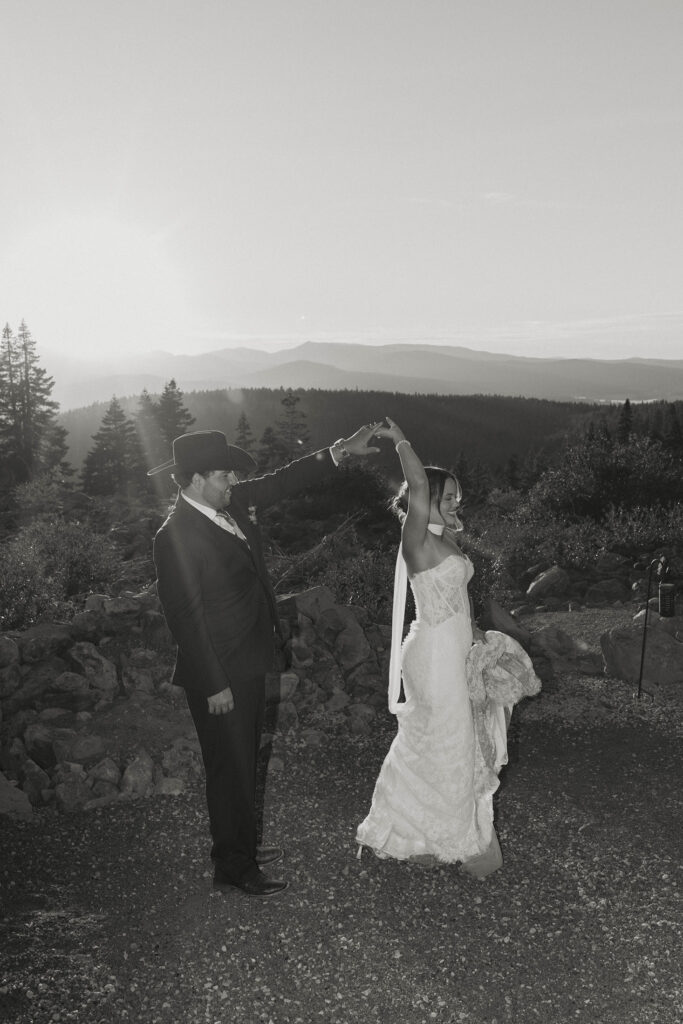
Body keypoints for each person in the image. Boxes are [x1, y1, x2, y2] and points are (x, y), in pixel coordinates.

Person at [150, 423, 381, 897]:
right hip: (221, 670)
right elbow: (185, 619)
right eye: (224, 476)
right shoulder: (174, 537)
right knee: (229, 766)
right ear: (195, 479)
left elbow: (282, 481)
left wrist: (341, 449)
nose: (233, 482)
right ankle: (234, 865)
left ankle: (240, 846)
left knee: (243, 760)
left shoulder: (224, 502)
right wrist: (214, 683)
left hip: (249, 657)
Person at [356, 417, 509, 878]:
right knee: (448, 741)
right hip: (432, 658)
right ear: (424, 503)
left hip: (455, 649)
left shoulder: (446, 541)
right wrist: (399, 439)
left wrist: (478, 634)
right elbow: (418, 482)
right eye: (447, 497)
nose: (455, 502)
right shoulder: (417, 538)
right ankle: (449, 838)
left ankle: (420, 833)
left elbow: (456, 598)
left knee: (442, 742)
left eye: (457, 496)